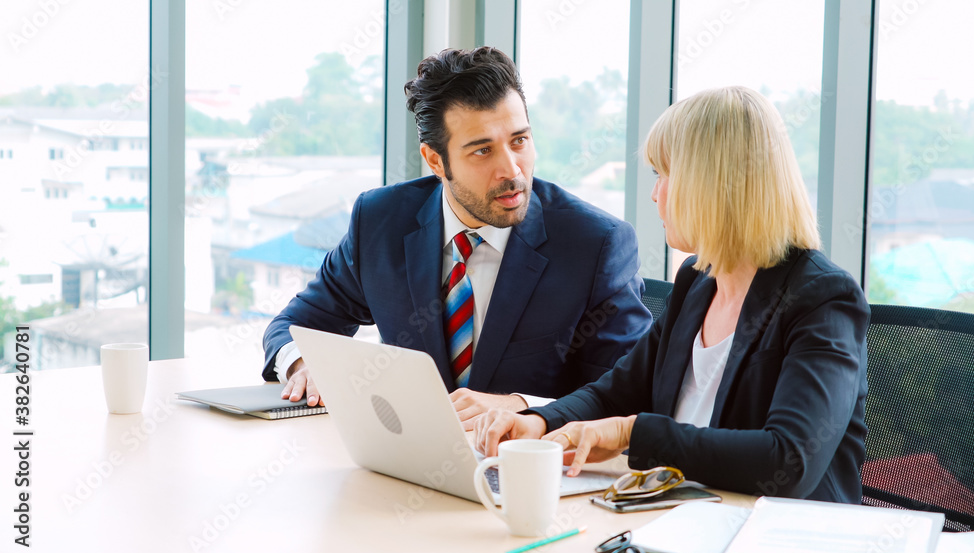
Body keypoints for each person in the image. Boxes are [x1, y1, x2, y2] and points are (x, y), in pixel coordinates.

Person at [475, 86, 870, 503]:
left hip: (773, 539)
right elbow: (617, 391)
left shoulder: (822, 298)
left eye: (663, 175)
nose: (654, 194)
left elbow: (787, 462)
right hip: (678, 518)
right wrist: (539, 421)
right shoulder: (698, 281)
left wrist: (632, 432)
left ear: (711, 186)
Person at [261, 47, 652, 427]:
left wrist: (522, 407)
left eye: (519, 141)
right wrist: (302, 362)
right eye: (482, 151)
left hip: (524, 474)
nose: (511, 170)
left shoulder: (596, 244)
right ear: (435, 160)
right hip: (406, 464)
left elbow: (629, 395)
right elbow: (296, 325)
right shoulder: (381, 221)